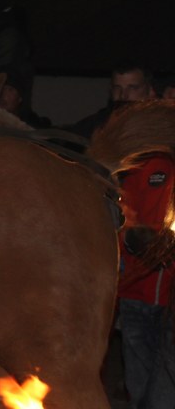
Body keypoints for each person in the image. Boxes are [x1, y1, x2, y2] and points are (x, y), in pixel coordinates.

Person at [116, 148, 175, 409]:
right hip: (136, 293)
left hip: (170, 304)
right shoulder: (145, 164)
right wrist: (133, 236)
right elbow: (122, 213)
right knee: (139, 387)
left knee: (163, 394)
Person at [69, 65, 157, 141]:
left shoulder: (158, 127)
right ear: (111, 90)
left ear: (150, 91)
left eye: (132, 88)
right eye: (117, 88)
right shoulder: (89, 127)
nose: (123, 95)